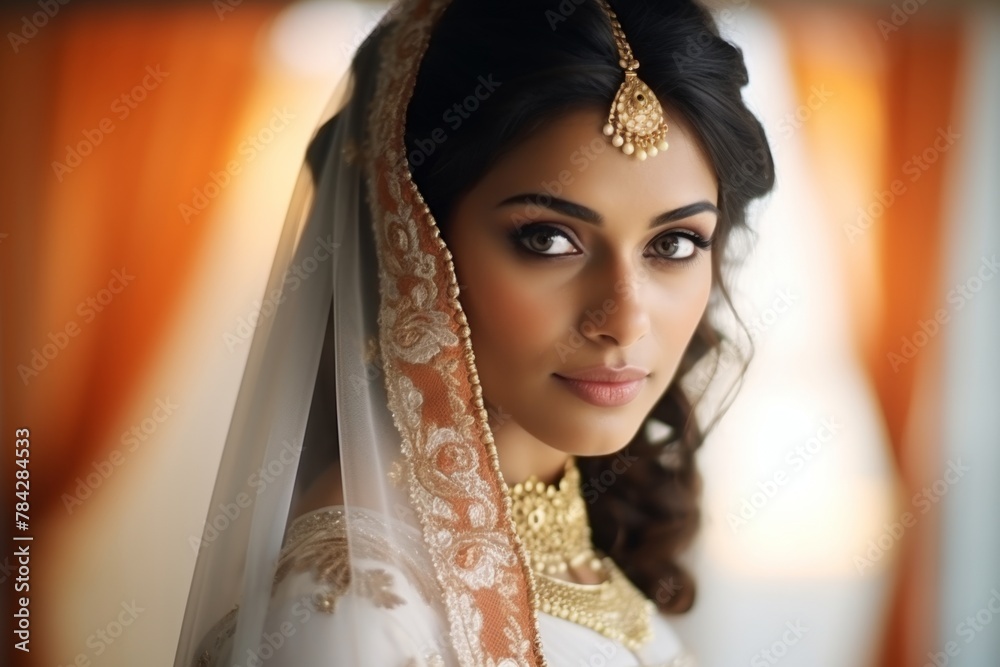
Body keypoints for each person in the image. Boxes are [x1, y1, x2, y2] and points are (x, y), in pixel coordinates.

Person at [173, 0, 774, 665]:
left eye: (676, 243)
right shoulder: (357, 604)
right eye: (548, 239)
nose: (626, 319)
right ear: (407, 244)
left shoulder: (582, 541)